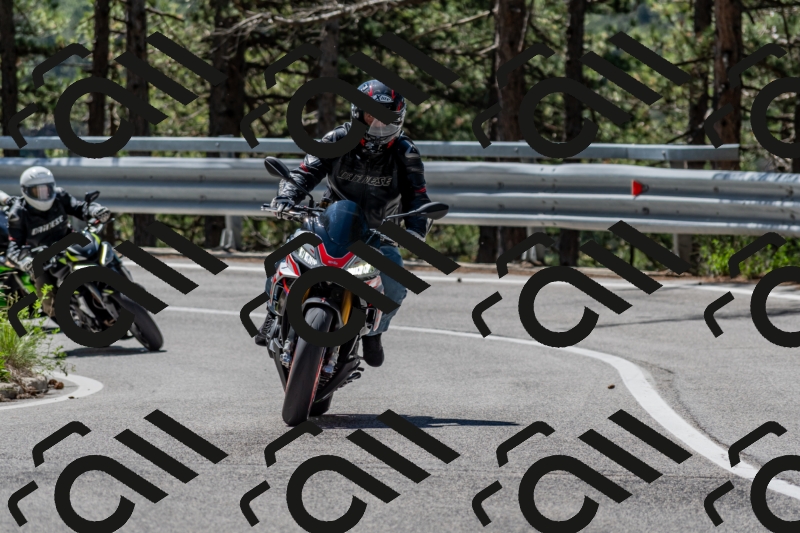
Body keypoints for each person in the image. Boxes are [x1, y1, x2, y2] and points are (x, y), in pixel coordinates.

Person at [255, 79, 432, 368]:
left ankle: (374, 333)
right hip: (329, 223)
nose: (378, 126)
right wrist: (286, 197)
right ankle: (273, 313)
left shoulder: (405, 151)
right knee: (282, 257)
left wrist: (415, 230)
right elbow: (305, 172)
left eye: (386, 119)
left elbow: (418, 197)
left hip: (377, 233)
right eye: (371, 117)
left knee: (395, 283)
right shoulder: (337, 139)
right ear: (358, 114)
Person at [6, 166, 110, 318]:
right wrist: (25, 261)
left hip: (70, 242)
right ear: (26, 191)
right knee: (48, 295)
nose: (43, 195)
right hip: (43, 257)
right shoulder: (18, 213)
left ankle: (118, 281)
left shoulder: (60, 196)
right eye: (37, 191)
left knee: (100, 250)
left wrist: (95, 210)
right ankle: (64, 319)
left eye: (46, 190)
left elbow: (79, 207)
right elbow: (14, 247)